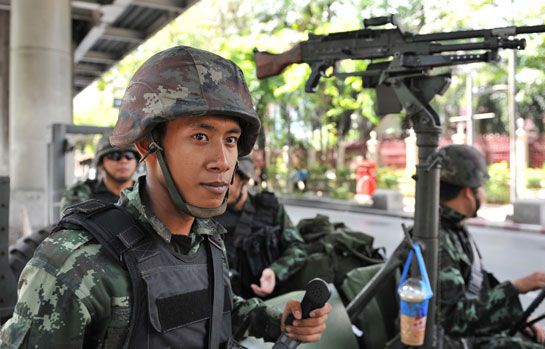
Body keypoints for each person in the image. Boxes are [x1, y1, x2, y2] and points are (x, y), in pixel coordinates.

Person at [0, 46, 331, 348]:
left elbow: (215, 308)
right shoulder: (75, 265)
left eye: (230, 139)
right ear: (147, 145)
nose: (224, 161)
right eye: (200, 136)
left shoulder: (206, 240)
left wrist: (273, 320)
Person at [437, 144, 545, 348]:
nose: (483, 194)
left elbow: (478, 286)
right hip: (459, 341)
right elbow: (453, 320)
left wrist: (520, 318)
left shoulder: (454, 229)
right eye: (481, 188)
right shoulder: (438, 241)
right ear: (468, 193)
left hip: (472, 333)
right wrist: (516, 288)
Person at [214, 155, 307, 299]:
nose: (220, 185)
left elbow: (297, 248)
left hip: (268, 300)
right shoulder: (208, 215)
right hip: (230, 302)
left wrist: (275, 271)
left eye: (228, 179)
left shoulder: (270, 208)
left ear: (244, 181)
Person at [59, 135, 139, 212]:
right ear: (101, 163)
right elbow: (73, 222)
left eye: (129, 155)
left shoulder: (146, 193)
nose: (123, 161)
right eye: (115, 155)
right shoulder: (81, 192)